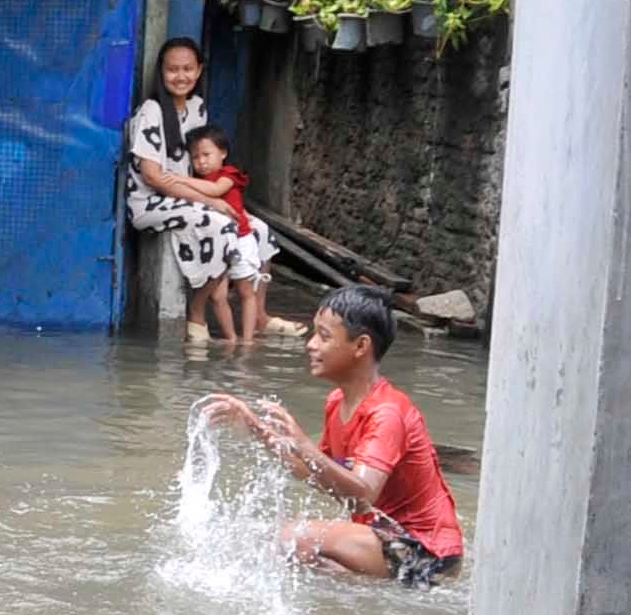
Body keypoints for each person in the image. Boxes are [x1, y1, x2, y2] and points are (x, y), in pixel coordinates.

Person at [205, 286, 464, 584]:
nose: (311, 345)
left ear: (360, 346)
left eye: (324, 336)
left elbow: (364, 493)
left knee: (289, 537)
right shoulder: (337, 403)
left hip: (430, 554)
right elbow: (318, 474)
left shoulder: (387, 412)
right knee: (300, 555)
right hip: (389, 540)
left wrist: (302, 443)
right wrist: (257, 430)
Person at [125, 37, 275, 330]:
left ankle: (258, 314)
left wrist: (216, 197)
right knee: (223, 222)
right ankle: (196, 311)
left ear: (199, 70)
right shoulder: (151, 111)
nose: (181, 76)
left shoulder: (197, 108)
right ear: (161, 72)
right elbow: (152, 176)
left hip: (190, 195)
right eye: (172, 70)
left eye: (188, 69)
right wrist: (210, 201)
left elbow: (200, 170)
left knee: (259, 229)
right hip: (151, 202)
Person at [177, 125, 274, 343]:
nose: (201, 162)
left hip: (240, 240)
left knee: (245, 291)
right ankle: (231, 339)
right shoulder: (198, 180)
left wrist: (178, 179)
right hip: (218, 244)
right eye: (195, 157)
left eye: (206, 155)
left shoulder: (229, 174)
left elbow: (215, 192)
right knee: (218, 296)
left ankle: (247, 340)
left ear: (223, 153)